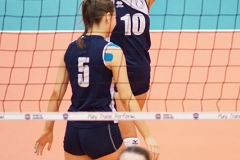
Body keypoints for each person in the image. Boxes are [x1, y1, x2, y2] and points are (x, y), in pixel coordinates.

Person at [34, 0, 159, 159]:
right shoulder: (112, 52)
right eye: (114, 17)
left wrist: (48, 129)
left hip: (73, 132)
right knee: (128, 142)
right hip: (102, 129)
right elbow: (127, 98)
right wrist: (148, 135)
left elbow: (55, 94)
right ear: (107, 18)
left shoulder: (70, 49)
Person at [109, 0, 156, 147]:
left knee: (123, 129)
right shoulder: (108, 3)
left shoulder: (145, 2)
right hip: (119, 74)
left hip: (141, 72)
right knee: (130, 138)